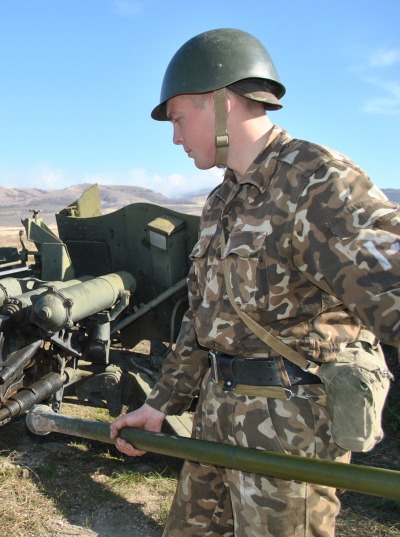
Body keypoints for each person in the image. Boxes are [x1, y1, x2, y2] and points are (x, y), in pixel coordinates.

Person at [110, 28, 399, 536]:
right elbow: (204, 324)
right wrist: (160, 405)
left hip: (291, 432)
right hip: (217, 419)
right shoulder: (223, 200)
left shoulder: (318, 182)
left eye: (179, 119)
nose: (175, 138)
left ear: (221, 105)